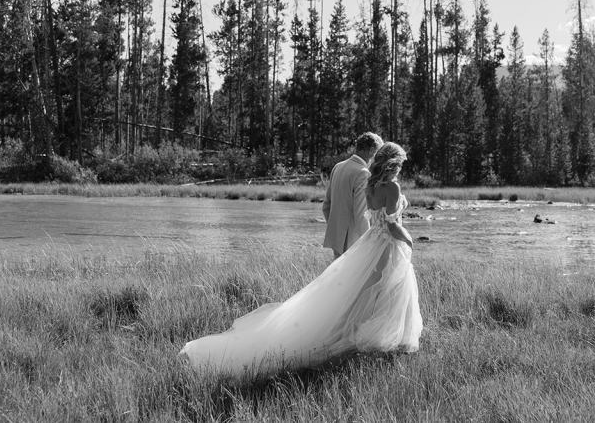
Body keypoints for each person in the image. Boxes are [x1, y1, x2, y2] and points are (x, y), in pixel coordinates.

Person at [179, 141, 422, 378]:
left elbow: (359, 213)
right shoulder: (392, 188)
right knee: (388, 289)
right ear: (393, 163)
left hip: (370, 242)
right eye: (400, 164)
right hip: (386, 244)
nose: (401, 169)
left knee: (366, 290)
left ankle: (367, 334)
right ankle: (381, 339)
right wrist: (409, 239)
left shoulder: (370, 185)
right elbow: (391, 224)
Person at [322, 132, 382, 257]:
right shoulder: (363, 173)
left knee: (337, 275)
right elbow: (361, 214)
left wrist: (337, 228)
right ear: (371, 150)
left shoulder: (338, 167)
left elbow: (326, 206)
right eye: (377, 154)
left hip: (336, 237)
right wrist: (369, 242)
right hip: (354, 240)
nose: (377, 159)